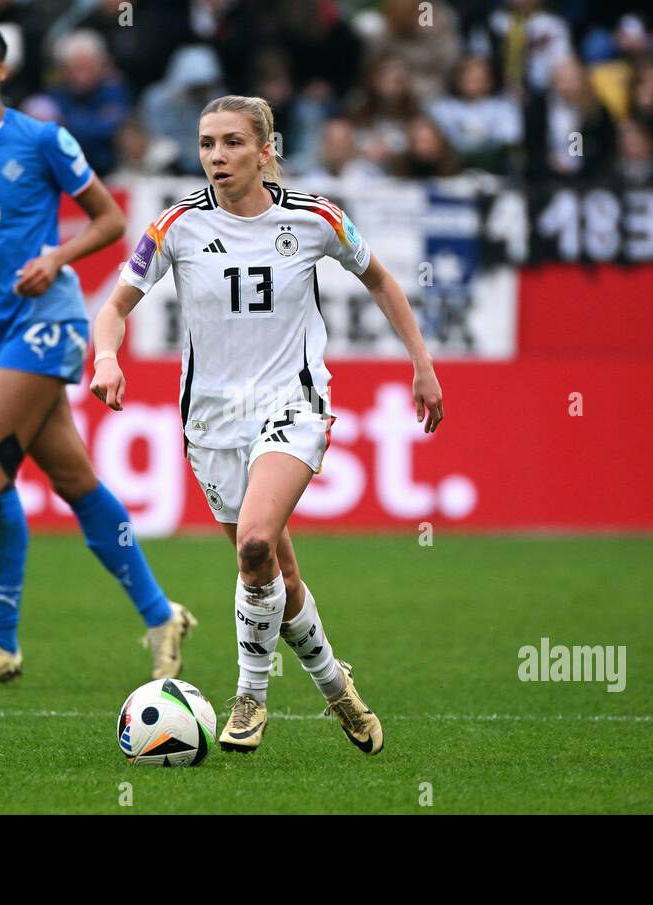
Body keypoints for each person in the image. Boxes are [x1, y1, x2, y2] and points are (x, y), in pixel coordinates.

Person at [90, 95, 444, 755]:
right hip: (211, 424)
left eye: (231, 143)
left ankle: (250, 695)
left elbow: (383, 281)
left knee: (254, 543)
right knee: (276, 570)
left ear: (265, 149)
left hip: (294, 402)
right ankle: (337, 685)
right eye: (206, 144)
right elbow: (114, 306)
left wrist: (422, 366)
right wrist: (107, 355)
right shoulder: (175, 226)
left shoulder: (314, 218)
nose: (217, 157)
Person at [0, 20, 195, 687]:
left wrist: (56, 256)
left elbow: (111, 220)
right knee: (73, 480)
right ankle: (160, 614)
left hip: (51, 319)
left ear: (2, 69)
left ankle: (1, 640)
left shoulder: (41, 139)